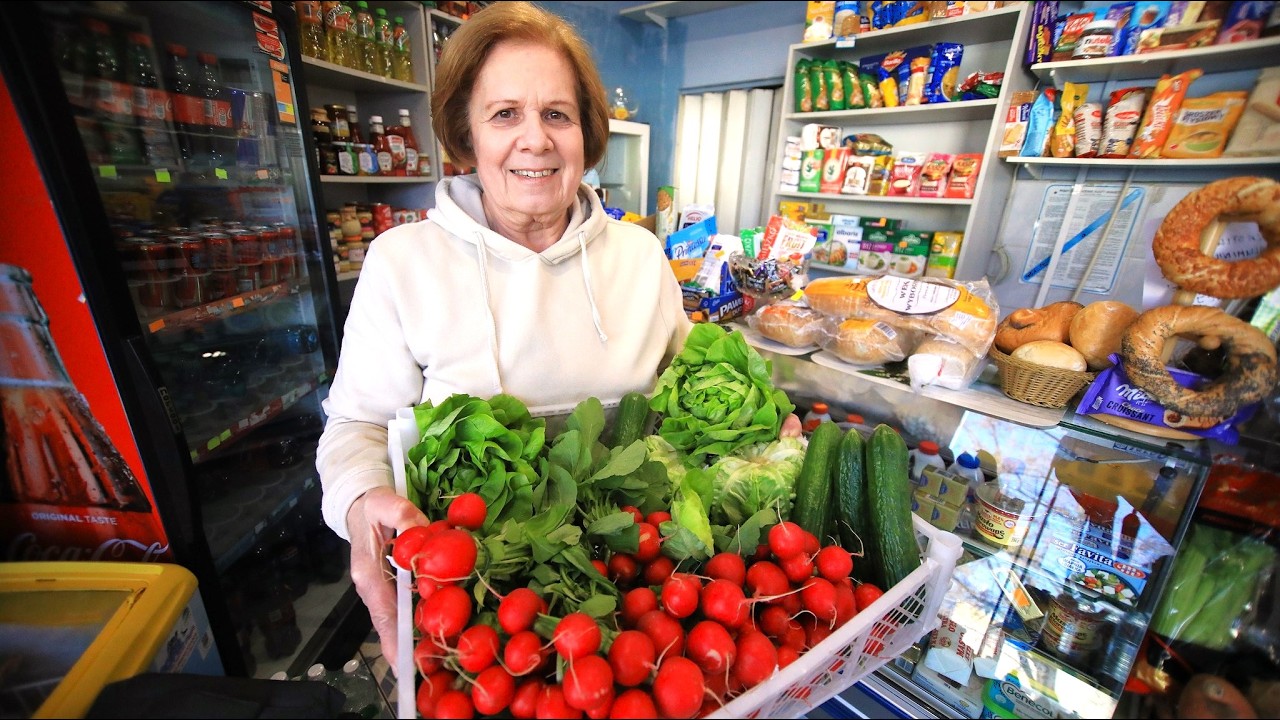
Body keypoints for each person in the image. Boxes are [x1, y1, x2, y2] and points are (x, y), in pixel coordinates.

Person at [315, 1, 798, 670]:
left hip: (643, 589)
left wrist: (762, 429)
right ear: (466, 134)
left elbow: (692, 387)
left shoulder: (640, 256)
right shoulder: (402, 262)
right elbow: (356, 426)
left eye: (557, 115)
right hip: (483, 602)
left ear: (586, 134)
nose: (535, 139)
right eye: (503, 114)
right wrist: (363, 497)